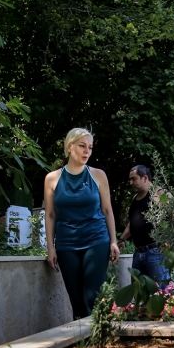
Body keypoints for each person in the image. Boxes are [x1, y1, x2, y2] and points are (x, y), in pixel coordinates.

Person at [44, 128, 120, 319]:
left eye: (90, 147)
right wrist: (50, 249)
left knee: (91, 297)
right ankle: (81, 344)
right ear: (70, 147)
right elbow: (51, 215)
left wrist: (113, 241)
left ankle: (95, 341)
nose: (87, 151)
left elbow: (107, 210)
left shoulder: (98, 175)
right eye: (82, 146)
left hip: (96, 240)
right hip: (66, 244)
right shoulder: (52, 179)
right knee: (76, 301)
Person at [117, 165, 170, 285]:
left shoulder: (159, 194)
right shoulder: (135, 198)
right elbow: (133, 222)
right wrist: (122, 239)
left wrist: (169, 240)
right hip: (138, 254)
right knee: (139, 294)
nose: (130, 182)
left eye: (133, 179)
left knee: (161, 294)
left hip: (156, 253)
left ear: (145, 178)